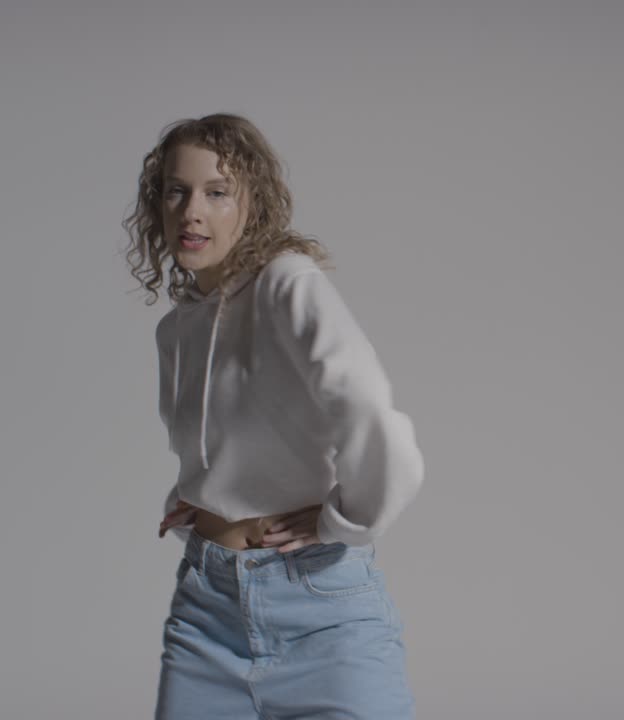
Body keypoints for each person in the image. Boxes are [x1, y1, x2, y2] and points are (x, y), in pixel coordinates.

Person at [123, 112, 424, 719]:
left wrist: (347, 519)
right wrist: (201, 496)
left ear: (251, 204)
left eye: (216, 192)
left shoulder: (286, 282)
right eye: (176, 191)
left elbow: (367, 404)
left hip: (321, 613)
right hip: (206, 613)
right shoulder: (175, 329)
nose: (191, 212)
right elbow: (220, 437)